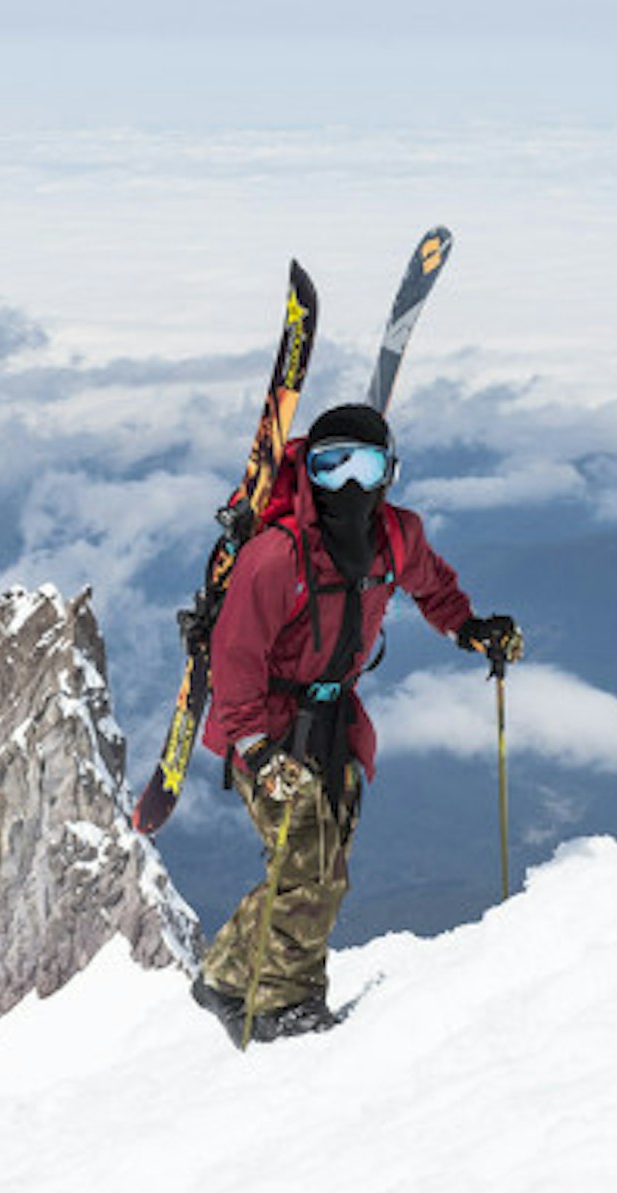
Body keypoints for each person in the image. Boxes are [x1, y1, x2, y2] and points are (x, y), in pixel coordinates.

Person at [189, 402, 521, 1044]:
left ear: (388, 474)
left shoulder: (398, 537)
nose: (346, 485)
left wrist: (470, 628)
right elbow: (235, 658)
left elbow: (433, 588)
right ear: (307, 473)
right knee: (311, 865)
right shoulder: (275, 556)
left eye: (362, 467)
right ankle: (287, 1006)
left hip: (336, 718)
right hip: (266, 722)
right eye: (328, 466)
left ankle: (228, 976)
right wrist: (256, 749)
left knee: (320, 863)